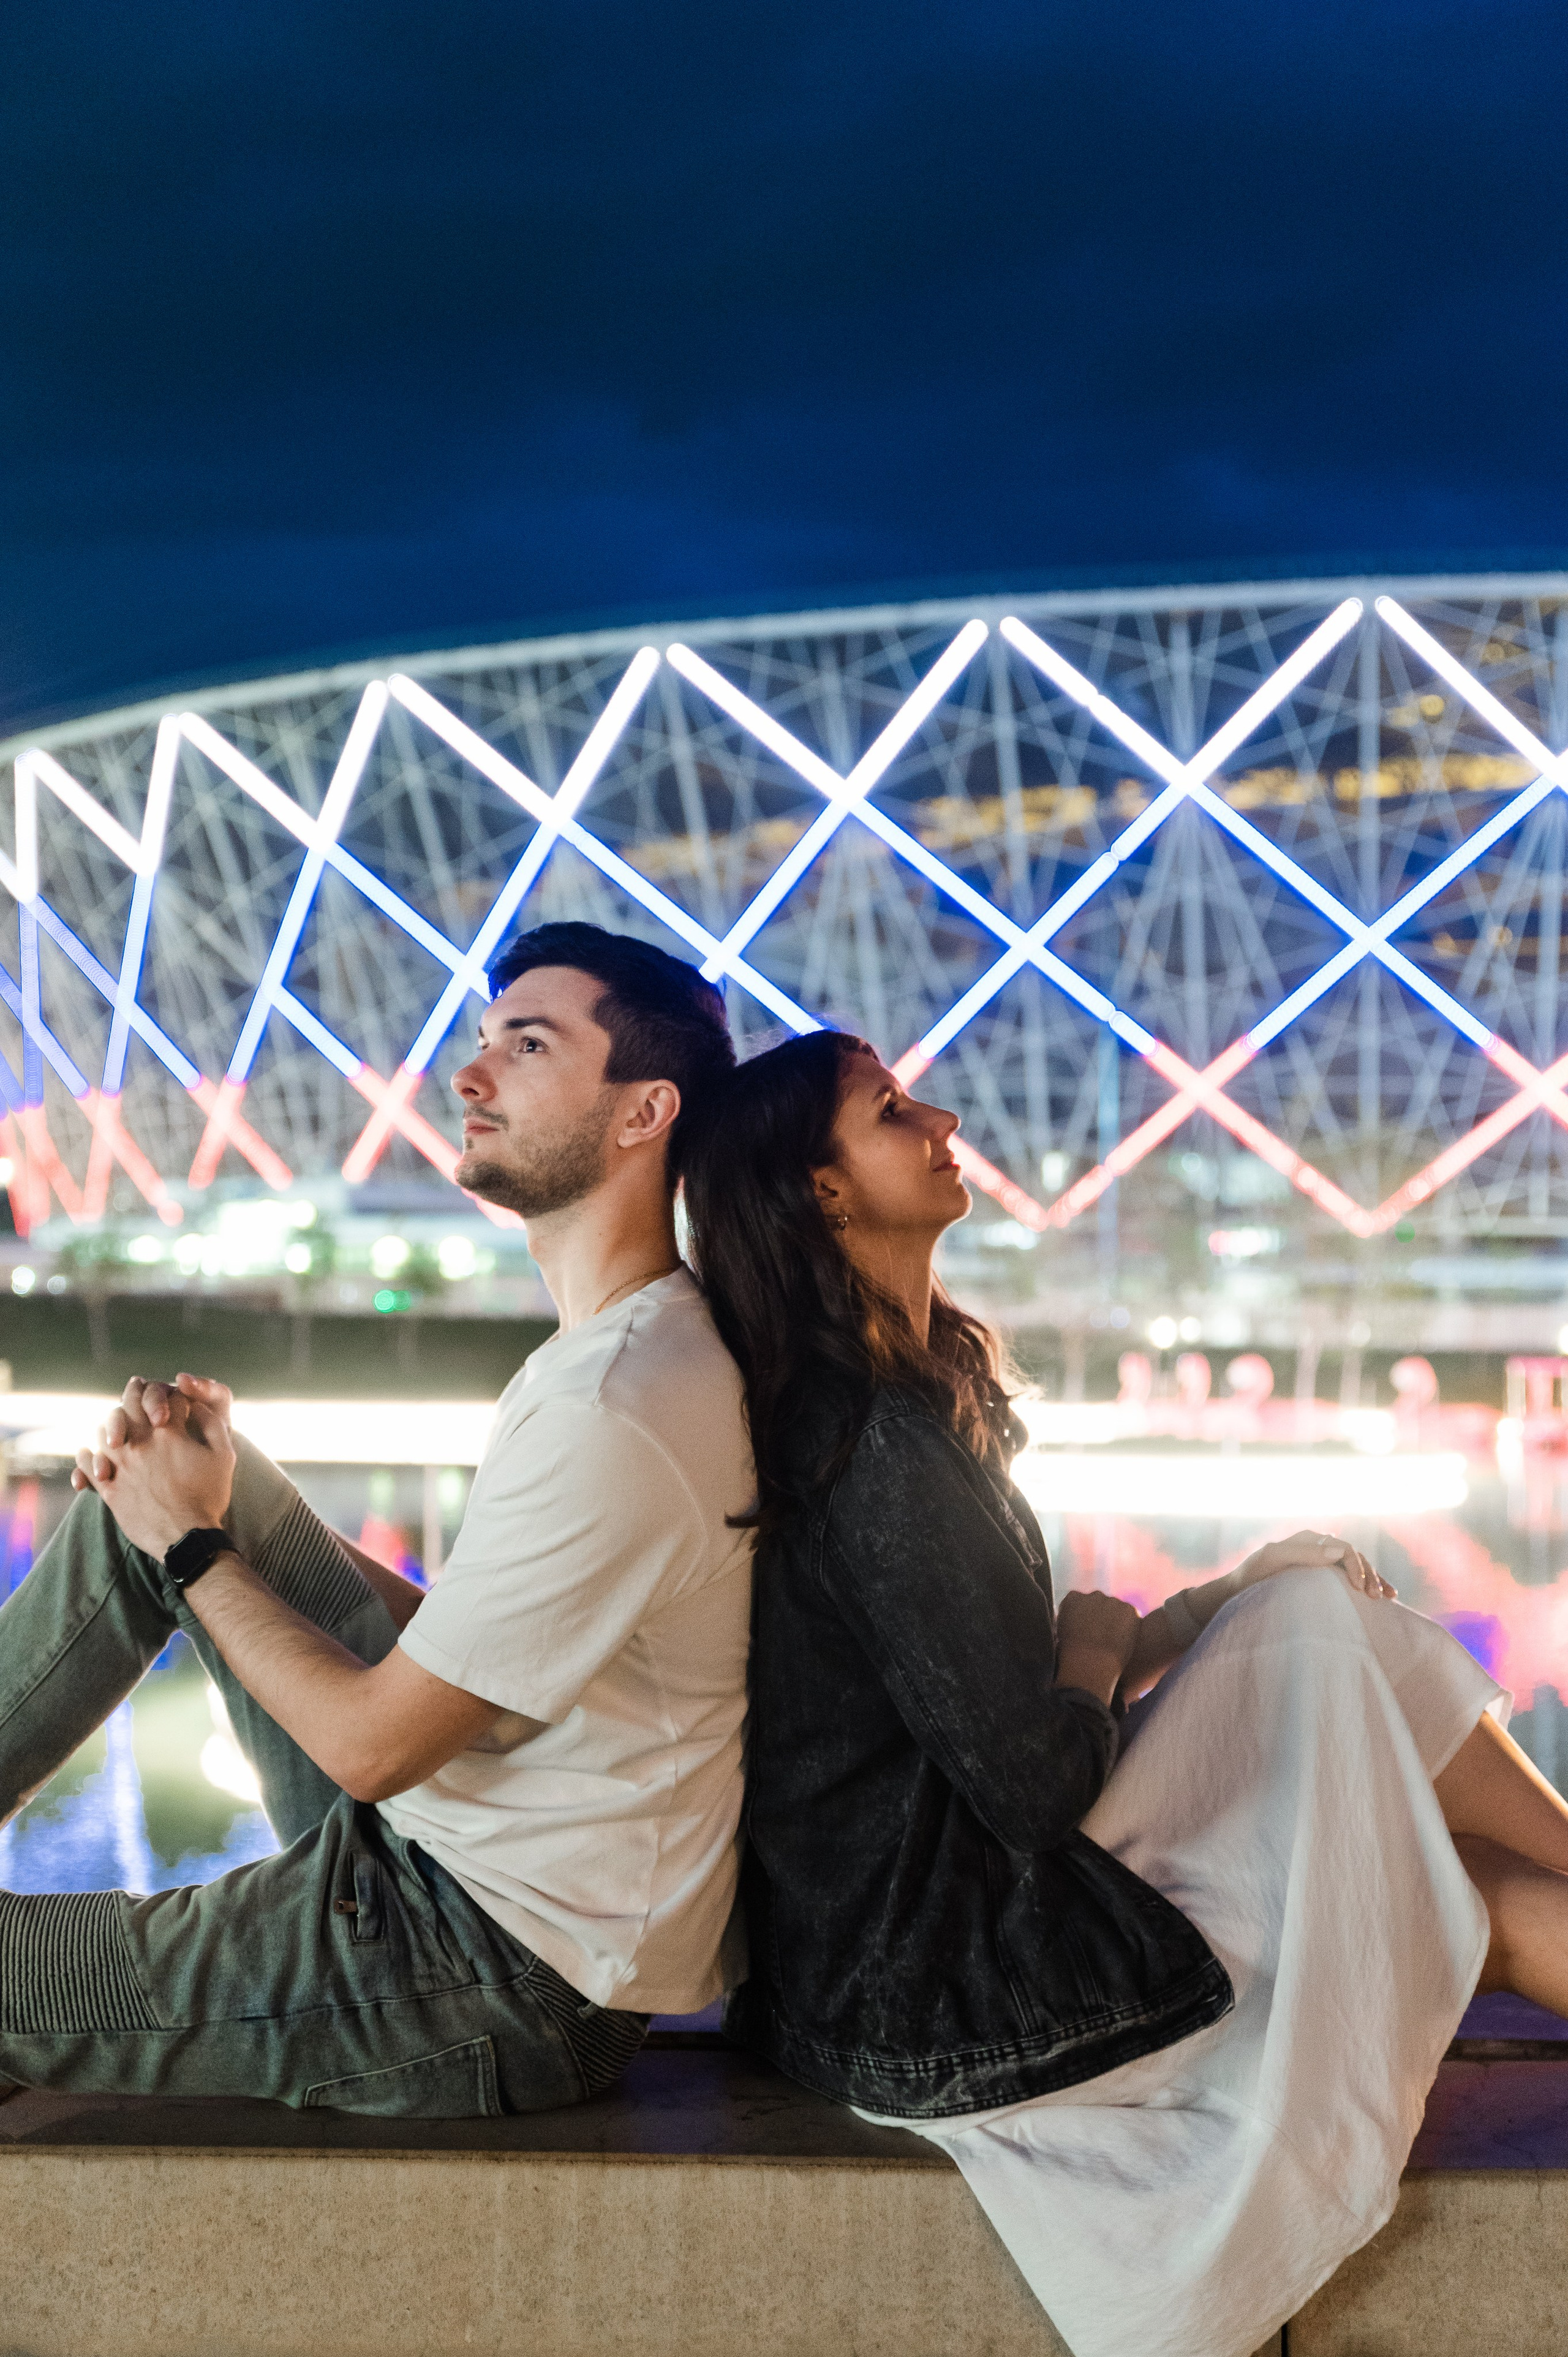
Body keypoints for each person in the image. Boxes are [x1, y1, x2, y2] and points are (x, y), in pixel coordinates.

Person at [679, 1027, 1568, 2357]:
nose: (940, 1116)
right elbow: (1035, 1781)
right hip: (950, 1990)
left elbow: (989, 1709)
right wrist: (1094, 1645)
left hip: (934, 1934)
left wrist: (1209, 1603)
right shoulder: (870, 1443)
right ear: (822, 1189)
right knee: (1459, 1898)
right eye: (890, 1110)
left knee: (1319, 1619)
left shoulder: (902, 1402)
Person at [0, 921, 753, 2119]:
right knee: (162, 1480)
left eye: (528, 1044)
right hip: (457, 1865)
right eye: (481, 1041)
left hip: (479, 1969)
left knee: (176, 1516)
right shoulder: (619, 1350)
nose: (467, 1074)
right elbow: (478, 1663)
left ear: (640, 1111)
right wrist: (219, 1496)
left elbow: (372, 1748)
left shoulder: (624, 1401)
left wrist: (196, 1547)